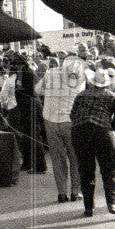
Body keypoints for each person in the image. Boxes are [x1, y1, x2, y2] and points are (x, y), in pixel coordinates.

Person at [69, 67, 115, 220]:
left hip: (80, 131)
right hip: (102, 131)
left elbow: (72, 115)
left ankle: (89, 207)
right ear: (107, 84)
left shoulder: (80, 96)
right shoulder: (112, 96)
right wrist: (111, 127)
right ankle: (113, 203)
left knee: (86, 170)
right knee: (109, 170)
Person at [35, 54, 85, 202]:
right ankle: (75, 191)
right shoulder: (79, 79)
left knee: (57, 157)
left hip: (50, 118)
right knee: (75, 156)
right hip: (69, 120)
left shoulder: (51, 73)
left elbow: (37, 90)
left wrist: (50, 93)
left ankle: (61, 192)